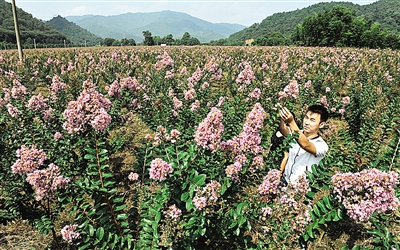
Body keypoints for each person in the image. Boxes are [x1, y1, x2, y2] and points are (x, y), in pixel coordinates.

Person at [278, 104, 329, 185]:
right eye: (306, 117)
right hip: (285, 181)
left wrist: (291, 122)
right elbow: (283, 129)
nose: (307, 122)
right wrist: (280, 114)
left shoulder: (322, 145)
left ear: (321, 125)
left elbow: (305, 144)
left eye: (312, 120)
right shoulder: (296, 133)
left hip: (299, 189)